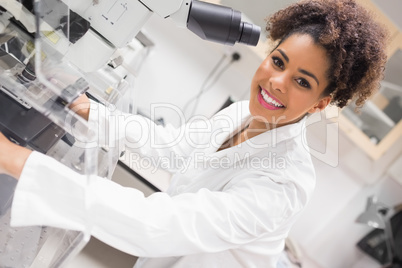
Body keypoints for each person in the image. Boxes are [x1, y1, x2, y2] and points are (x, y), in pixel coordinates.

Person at [0, 0, 388, 267]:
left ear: (321, 102)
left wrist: (21, 161)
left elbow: (158, 226)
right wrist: (88, 109)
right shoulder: (242, 114)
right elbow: (172, 147)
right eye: (278, 61)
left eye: (302, 82)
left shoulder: (284, 182)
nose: (277, 82)